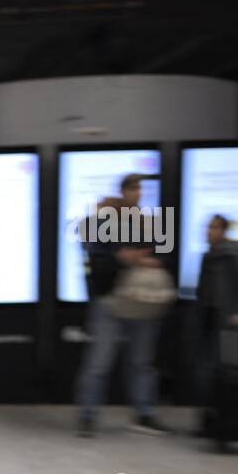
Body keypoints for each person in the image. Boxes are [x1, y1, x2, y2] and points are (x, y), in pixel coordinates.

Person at [74, 173, 171, 438]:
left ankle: (144, 413)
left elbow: (161, 252)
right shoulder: (100, 222)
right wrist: (122, 257)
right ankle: (87, 416)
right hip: (110, 300)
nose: (137, 194)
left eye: (140, 189)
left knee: (142, 362)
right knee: (99, 362)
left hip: (142, 299)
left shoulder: (146, 222)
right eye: (133, 188)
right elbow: (95, 258)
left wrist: (141, 258)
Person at [193, 215, 238, 425]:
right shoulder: (209, 255)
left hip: (231, 323)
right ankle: (211, 420)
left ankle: (229, 421)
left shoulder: (237, 255)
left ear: (224, 231)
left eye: (214, 227)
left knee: (228, 375)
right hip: (209, 319)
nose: (209, 231)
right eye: (208, 227)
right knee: (207, 373)